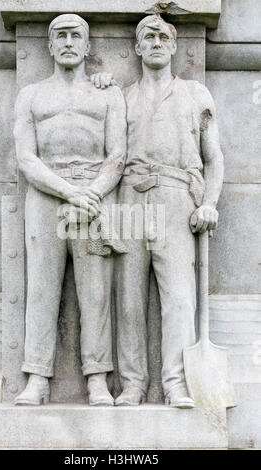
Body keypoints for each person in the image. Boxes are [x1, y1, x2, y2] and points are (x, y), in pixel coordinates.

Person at [93, 14, 224, 408]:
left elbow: (214, 158)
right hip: (131, 197)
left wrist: (209, 204)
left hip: (176, 198)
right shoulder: (120, 96)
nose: (155, 42)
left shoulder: (195, 94)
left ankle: (176, 383)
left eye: (162, 36)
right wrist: (98, 82)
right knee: (129, 298)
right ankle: (132, 383)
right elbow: (111, 157)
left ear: (173, 45)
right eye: (147, 37)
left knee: (180, 298)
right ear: (136, 47)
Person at [13, 14, 127, 406]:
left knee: (95, 291)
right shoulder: (31, 94)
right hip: (47, 192)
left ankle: (97, 377)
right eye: (59, 35)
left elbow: (118, 154)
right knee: (41, 287)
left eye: (75, 35)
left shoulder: (108, 93)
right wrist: (68, 191)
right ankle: (38, 378)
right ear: (48, 45)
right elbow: (26, 157)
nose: (67, 41)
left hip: (95, 193)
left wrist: (91, 192)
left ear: (87, 45)